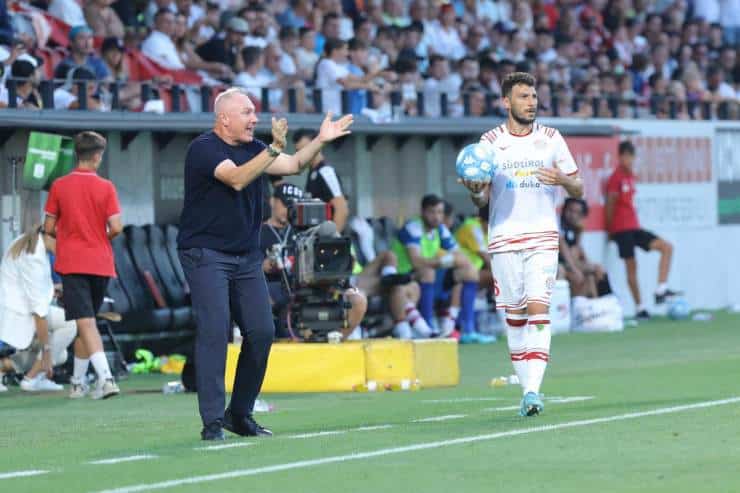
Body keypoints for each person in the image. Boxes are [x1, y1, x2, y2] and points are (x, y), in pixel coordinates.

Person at [177, 87, 352, 441]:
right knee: (215, 331)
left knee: (261, 331)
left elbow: (293, 164)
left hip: (244, 256)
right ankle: (211, 423)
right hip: (206, 253)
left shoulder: (257, 148)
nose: (254, 118)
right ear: (224, 117)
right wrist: (272, 148)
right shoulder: (204, 148)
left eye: (254, 112)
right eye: (247, 112)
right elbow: (237, 178)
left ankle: (238, 414)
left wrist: (320, 139)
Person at [460, 72, 584, 416]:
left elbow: (579, 188)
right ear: (506, 102)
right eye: (524, 97)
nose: (531, 102)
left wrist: (562, 179)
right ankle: (527, 390)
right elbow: (480, 198)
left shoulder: (551, 139)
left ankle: (532, 391)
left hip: (543, 237)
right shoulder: (489, 143)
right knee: (514, 318)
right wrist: (474, 189)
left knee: (538, 308)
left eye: (533, 96)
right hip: (503, 239)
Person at [43, 131, 124, 400]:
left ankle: (106, 379)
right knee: (85, 323)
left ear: (77, 154)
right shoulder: (107, 186)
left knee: (85, 323)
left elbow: (48, 228)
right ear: (98, 156)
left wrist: (68, 238)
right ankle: (77, 383)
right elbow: (116, 227)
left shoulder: (59, 185)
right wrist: (100, 237)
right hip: (101, 262)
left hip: (73, 263)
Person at [260, 183, 367, 339]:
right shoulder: (259, 232)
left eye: (295, 205)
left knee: (358, 299)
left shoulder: (309, 231)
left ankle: (335, 339)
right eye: (286, 204)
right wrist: (267, 264)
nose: (288, 209)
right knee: (259, 294)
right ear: (272, 201)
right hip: (276, 287)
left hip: (317, 285)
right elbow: (250, 268)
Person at [391, 194, 483, 340]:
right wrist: (444, 261)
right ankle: (427, 326)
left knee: (469, 272)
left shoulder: (440, 229)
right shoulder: (413, 227)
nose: (436, 216)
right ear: (422, 212)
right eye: (432, 212)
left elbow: (460, 257)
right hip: (405, 276)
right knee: (428, 272)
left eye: (439, 212)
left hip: (428, 276)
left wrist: (449, 261)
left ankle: (459, 327)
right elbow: (416, 261)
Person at [605, 141, 679, 320]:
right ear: (620, 156)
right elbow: (610, 205)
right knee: (632, 268)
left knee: (666, 247)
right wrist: (610, 230)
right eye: (625, 156)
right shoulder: (615, 178)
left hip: (634, 227)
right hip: (622, 229)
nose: (628, 160)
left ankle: (661, 288)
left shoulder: (631, 176)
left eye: (631, 156)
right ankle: (640, 308)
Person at [0, 225, 77, 392]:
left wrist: (52, 289)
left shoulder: (29, 242)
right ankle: (31, 378)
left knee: (61, 354)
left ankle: (3, 368)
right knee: (70, 324)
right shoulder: (33, 256)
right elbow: (39, 313)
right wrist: (47, 352)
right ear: (51, 237)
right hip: (17, 315)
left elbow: (26, 287)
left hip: (15, 310)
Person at [294, 129, 350, 233]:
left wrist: (332, 241)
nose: (302, 154)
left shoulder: (326, 172)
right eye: (298, 151)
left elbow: (342, 209)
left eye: (305, 149)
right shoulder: (312, 172)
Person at [558, 198, 612, 298]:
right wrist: (576, 270)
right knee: (581, 275)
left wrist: (579, 233)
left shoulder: (575, 229)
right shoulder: (557, 225)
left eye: (578, 213)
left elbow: (579, 252)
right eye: (570, 210)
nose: (573, 215)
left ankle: (605, 303)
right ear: (564, 210)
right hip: (560, 264)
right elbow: (566, 253)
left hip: (571, 263)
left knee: (596, 271)